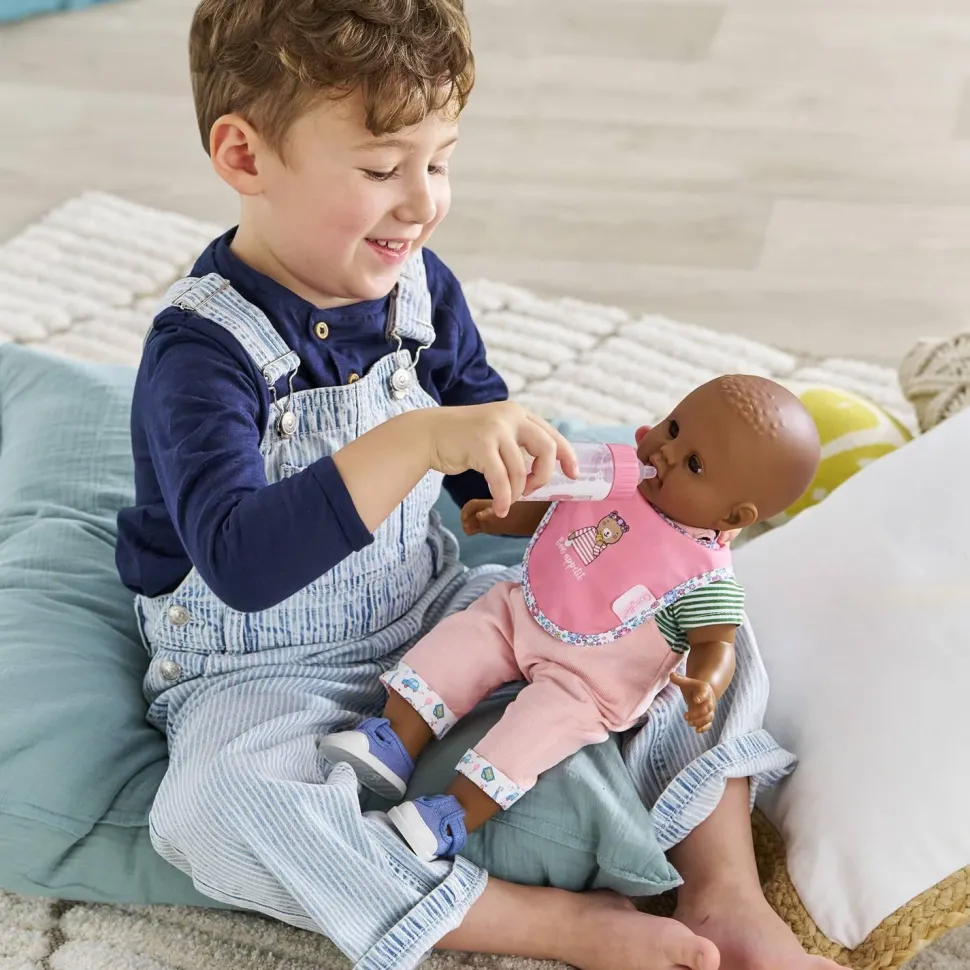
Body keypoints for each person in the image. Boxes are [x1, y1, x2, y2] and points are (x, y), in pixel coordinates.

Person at [115, 2, 842, 968]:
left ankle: (724, 892)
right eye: (382, 169)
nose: (421, 203)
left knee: (698, 626)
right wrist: (418, 439)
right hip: (257, 672)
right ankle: (543, 923)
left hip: (430, 605)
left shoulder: (421, 290)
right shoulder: (200, 355)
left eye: (441, 162)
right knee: (210, 812)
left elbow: (483, 482)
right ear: (245, 157)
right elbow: (244, 564)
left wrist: (631, 519)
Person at [320, 376, 821, 860]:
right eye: (673, 428)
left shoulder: (702, 577)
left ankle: (450, 816)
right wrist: (501, 516)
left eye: (693, 463)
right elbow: (554, 513)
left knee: (532, 734)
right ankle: (394, 740)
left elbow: (718, 643)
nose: (666, 452)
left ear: (732, 517)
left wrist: (706, 683)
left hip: (591, 683)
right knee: (462, 640)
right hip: (524, 614)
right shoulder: (615, 476)